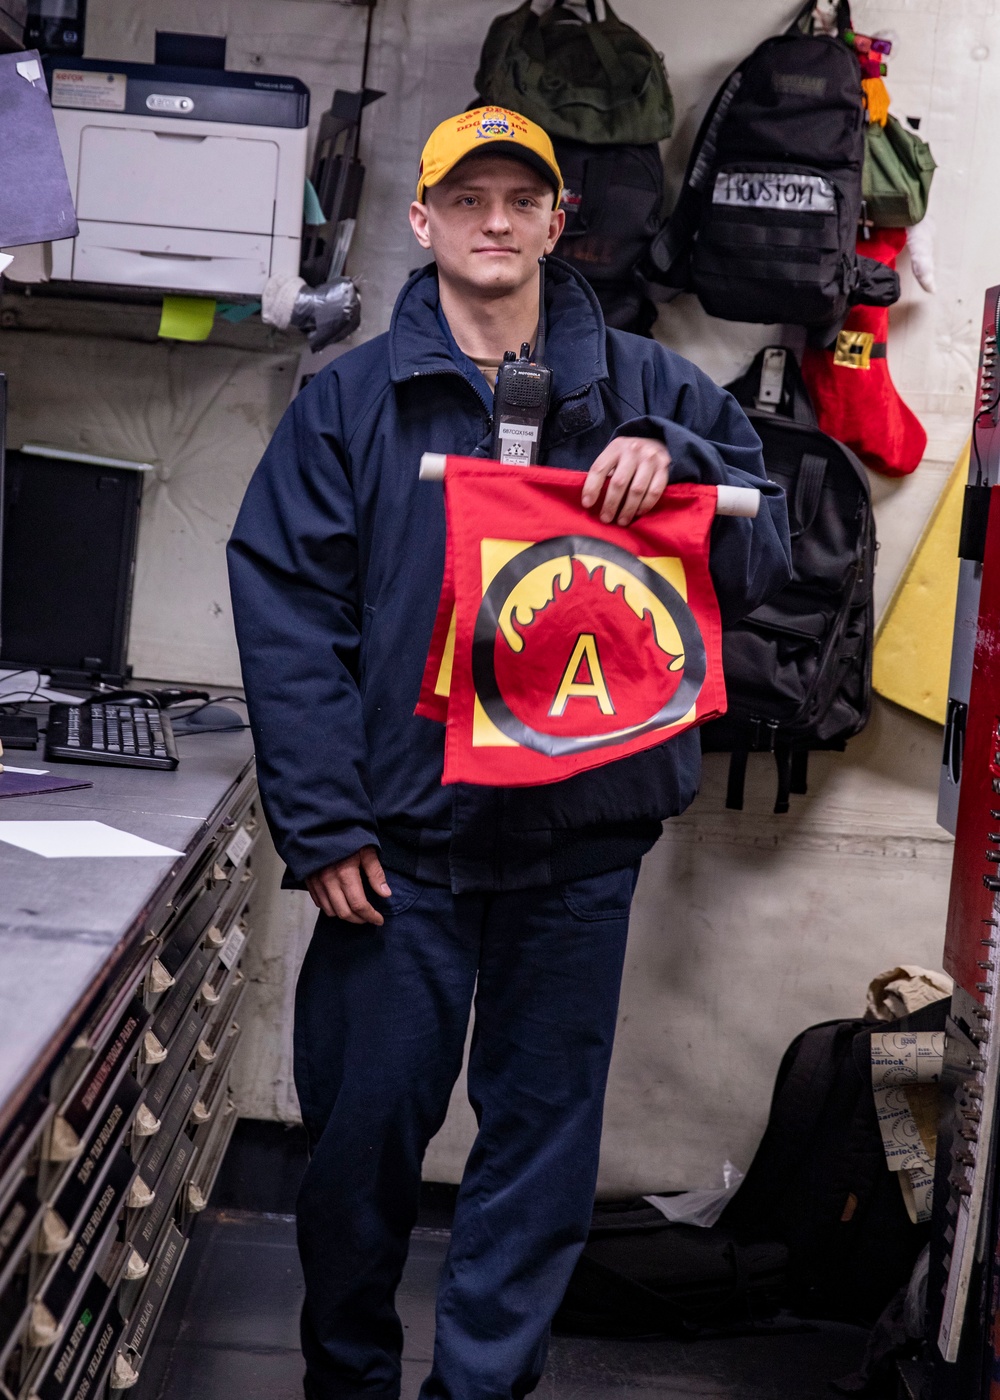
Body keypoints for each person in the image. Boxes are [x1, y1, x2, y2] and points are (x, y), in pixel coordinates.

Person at [228, 105, 791, 1400]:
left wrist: (689, 471)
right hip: (397, 853)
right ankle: (348, 1378)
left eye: (517, 200)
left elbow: (765, 565)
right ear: (421, 222)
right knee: (362, 1145)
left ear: (554, 223)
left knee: (538, 1155)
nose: (494, 220)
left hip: (578, 849)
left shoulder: (655, 391)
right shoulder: (353, 403)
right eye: (466, 198)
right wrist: (325, 827)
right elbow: (287, 607)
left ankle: (481, 1392)